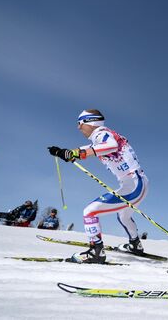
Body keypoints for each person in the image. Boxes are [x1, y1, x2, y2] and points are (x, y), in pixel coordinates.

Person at [48, 109, 148, 263]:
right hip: (135, 182)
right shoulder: (99, 139)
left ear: (90, 122)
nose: (78, 128)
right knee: (124, 215)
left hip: (134, 184)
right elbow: (87, 150)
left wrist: (76, 153)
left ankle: (96, 252)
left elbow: (111, 145)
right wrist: (63, 152)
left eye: (79, 123)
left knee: (90, 211)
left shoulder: (101, 133)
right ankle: (135, 245)